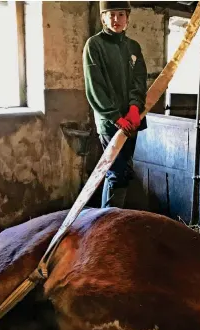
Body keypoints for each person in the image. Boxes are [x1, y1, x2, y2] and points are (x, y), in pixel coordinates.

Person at [83, 1, 148, 208]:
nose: (116, 19)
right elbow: (96, 85)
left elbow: (139, 79)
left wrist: (135, 107)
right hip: (111, 121)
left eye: (121, 14)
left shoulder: (133, 47)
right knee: (116, 172)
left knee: (125, 171)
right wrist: (115, 116)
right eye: (110, 15)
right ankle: (107, 223)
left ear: (127, 18)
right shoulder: (94, 45)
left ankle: (113, 221)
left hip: (131, 119)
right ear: (103, 18)